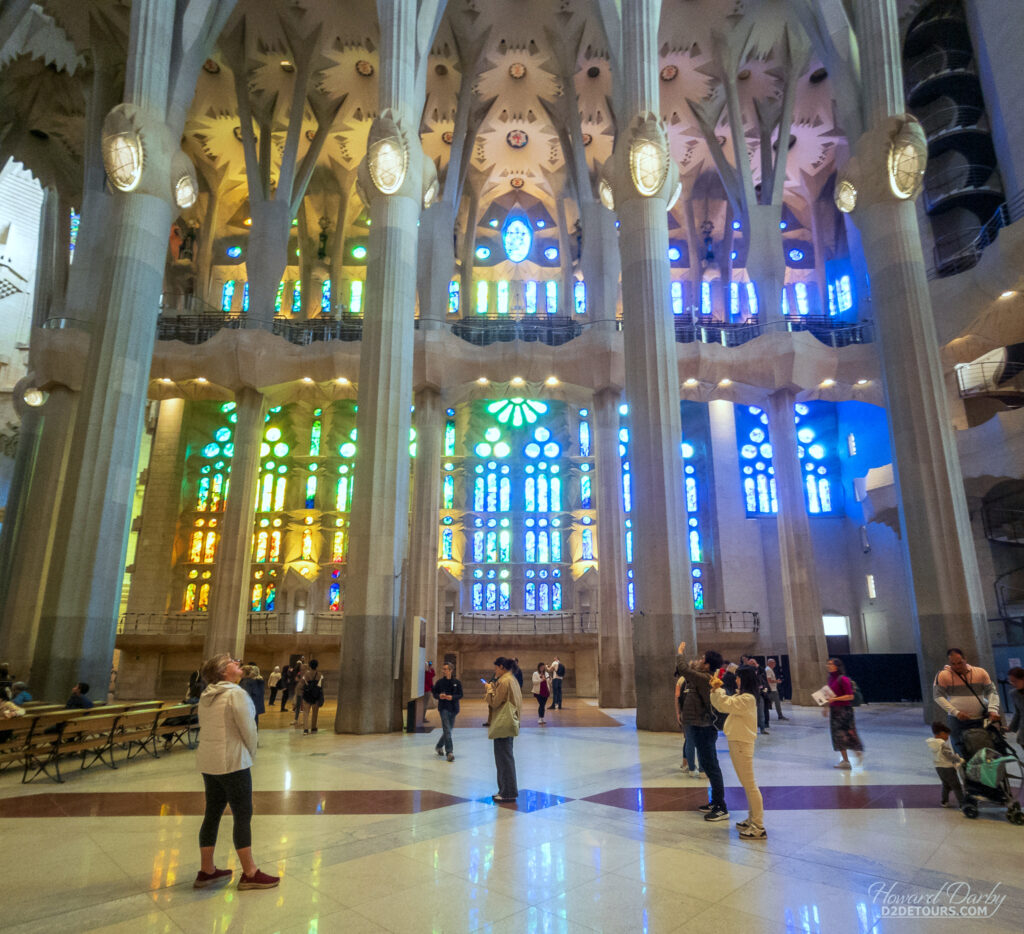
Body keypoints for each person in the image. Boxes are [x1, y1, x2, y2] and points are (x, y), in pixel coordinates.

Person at [194, 653, 278, 890]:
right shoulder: (235, 694)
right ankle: (250, 872)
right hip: (232, 762)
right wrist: (251, 753)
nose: (238, 663)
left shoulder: (207, 695)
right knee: (243, 814)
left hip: (209, 762)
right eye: (232, 661)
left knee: (212, 812)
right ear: (223, 671)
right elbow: (248, 729)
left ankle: (207, 870)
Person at [710, 666, 766, 839]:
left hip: (742, 743)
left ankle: (758, 826)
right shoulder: (743, 697)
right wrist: (715, 690)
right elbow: (721, 704)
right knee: (746, 784)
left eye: (738, 677)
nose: (736, 680)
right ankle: (752, 818)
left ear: (745, 678)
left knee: (750, 784)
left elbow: (725, 704)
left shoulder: (747, 698)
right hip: (738, 741)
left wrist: (717, 689)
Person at [677, 641, 729, 822]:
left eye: (702, 659)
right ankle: (714, 801)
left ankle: (721, 806)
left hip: (705, 727)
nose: (699, 660)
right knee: (707, 765)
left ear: (707, 664)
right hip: (698, 726)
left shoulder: (705, 678)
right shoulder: (702, 676)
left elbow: (684, 670)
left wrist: (680, 653)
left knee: (712, 767)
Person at [933, 648, 1001, 759]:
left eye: (960, 663)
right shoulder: (943, 675)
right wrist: (956, 712)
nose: (957, 666)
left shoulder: (980, 672)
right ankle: (966, 774)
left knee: (988, 748)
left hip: (980, 719)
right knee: (961, 751)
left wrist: (993, 710)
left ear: (965, 659)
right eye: (953, 664)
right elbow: (937, 696)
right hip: (957, 721)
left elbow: (991, 691)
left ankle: (991, 773)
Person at [485, 657, 522, 802]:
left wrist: (489, 689)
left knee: (503, 759)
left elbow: (494, 702)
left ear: (501, 667)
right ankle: (504, 790)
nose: (495, 671)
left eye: (496, 668)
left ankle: (508, 792)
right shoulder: (512, 679)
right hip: (509, 722)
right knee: (505, 757)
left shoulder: (504, 681)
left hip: (503, 723)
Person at [823, 658, 864, 768]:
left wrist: (835, 700)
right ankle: (845, 761)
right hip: (834, 711)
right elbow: (829, 695)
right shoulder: (830, 679)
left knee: (848, 733)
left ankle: (857, 752)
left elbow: (850, 696)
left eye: (830, 664)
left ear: (837, 666)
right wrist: (826, 707)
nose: (828, 665)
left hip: (844, 711)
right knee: (837, 735)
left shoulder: (843, 679)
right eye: (828, 664)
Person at [926, 721, 964, 808]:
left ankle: (944, 801)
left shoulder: (932, 744)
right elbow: (949, 755)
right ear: (942, 733)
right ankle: (962, 803)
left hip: (938, 767)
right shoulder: (942, 744)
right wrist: (959, 759)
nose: (947, 737)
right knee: (956, 786)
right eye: (947, 735)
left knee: (946, 784)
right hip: (947, 768)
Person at [432, 662, 463, 761]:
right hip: (444, 708)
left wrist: (452, 697)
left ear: (451, 670)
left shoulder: (457, 682)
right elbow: (435, 693)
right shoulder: (440, 682)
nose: (444, 671)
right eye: (443, 669)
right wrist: (439, 696)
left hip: (454, 709)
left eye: (446, 669)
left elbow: (460, 694)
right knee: (447, 730)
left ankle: (438, 746)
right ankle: (449, 752)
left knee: (448, 731)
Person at [674, 672, 702, 778]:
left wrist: (678, 713)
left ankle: (689, 767)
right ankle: (702, 768)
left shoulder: (681, 680)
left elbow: (676, 697)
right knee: (698, 742)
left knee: (689, 740)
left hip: (686, 714)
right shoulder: (701, 677)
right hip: (700, 715)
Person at [300, 659, 324, 734]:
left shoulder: (306, 674)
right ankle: (313, 728)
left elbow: (303, 684)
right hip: (316, 695)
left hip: (307, 695)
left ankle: (305, 729)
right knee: (315, 713)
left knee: (306, 713)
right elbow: (321, 686)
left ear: (309, 666)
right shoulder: (320, 674)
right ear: (317, 666)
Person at [1006, 666, 1024, 749]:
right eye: (1011, 681)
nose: (1012, 684)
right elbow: (1018, 712)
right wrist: (1011, 727)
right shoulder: (1014, 694)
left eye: (1015, 681)